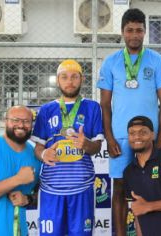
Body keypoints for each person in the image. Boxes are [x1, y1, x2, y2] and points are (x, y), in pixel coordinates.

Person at [97, 8, 161, 236]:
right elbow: (105, 105)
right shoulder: (110, 62)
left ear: (145, 32)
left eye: (139, 30)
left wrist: (159, 143)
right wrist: (109, 138)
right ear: (122, 32)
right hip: (121, 139)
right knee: (119, 189)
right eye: (130, 30)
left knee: (150, 189)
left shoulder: (157, 61)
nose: (134, 35)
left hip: (149, 140)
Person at [32, 59, 104, 236]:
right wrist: (43, 154)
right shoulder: (46, 110)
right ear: (57, 80)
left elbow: (96, 146)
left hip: (82, 188)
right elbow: (38, 148)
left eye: (74, 77)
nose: (69, 81)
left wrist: (86, 144)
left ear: (82, 79)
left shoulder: (93, 107)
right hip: (51, 189)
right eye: (64, 77)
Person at [0, 105, 41, 236]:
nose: (21, 125)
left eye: (26, 121)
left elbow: (39, 193)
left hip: (21, 232)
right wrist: (17, 179)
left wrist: (27, 199)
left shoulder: (35, 154)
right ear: (5, 121)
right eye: (15, 120)